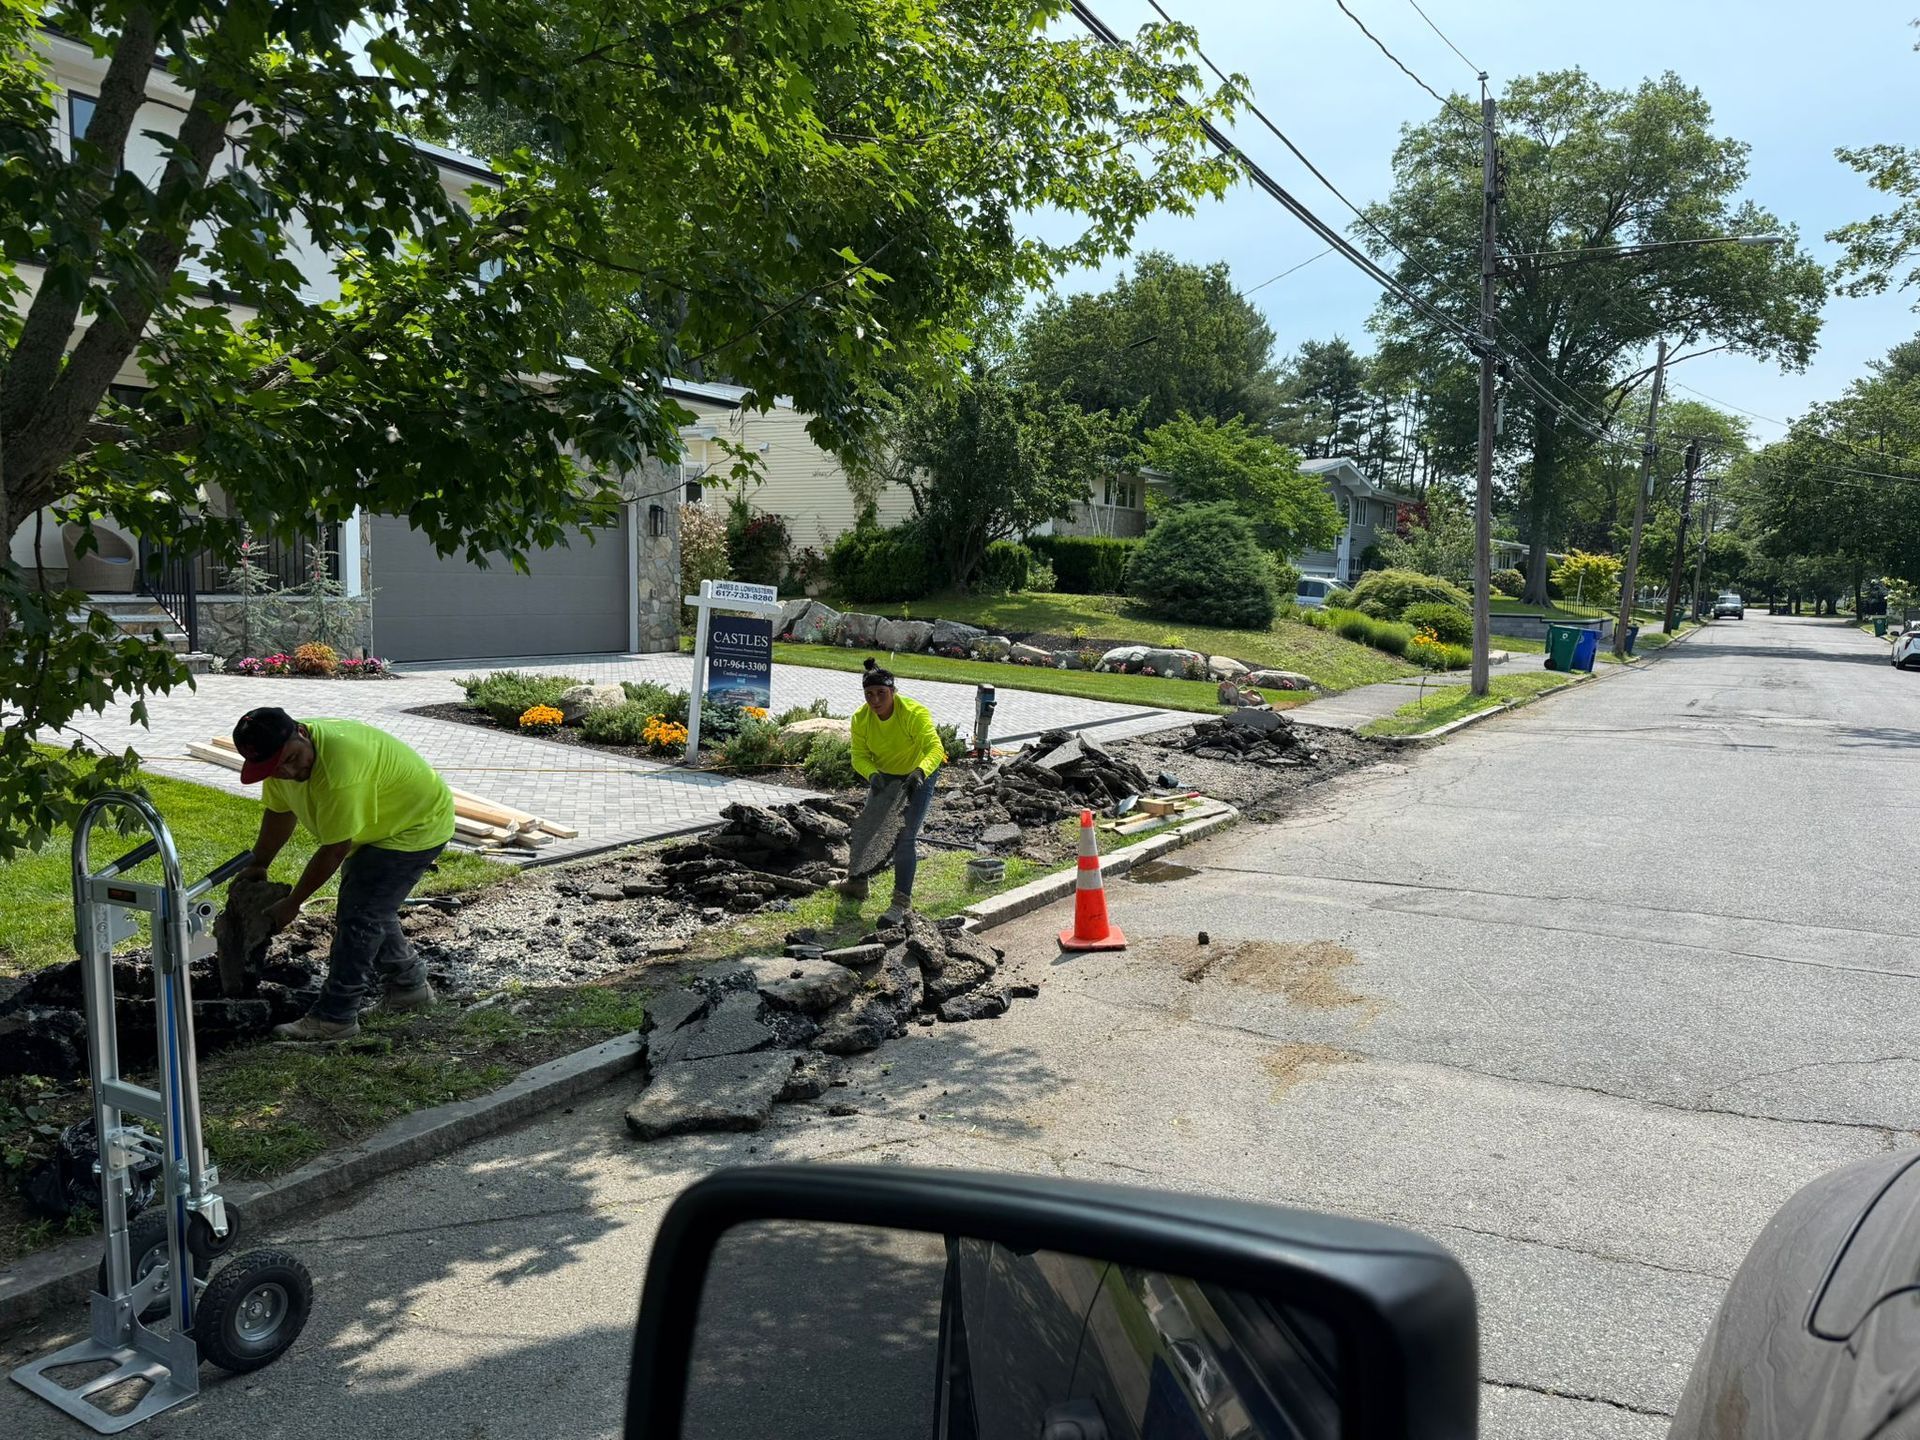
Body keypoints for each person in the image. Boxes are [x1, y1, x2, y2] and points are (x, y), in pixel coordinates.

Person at [230, 707, 456, 1042]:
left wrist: (293, 903)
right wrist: (259, 862)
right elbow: (279, 812)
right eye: (277, 769)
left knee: (360, 915)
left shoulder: (340, 767)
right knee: (369, 906)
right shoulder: (281, 765)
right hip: (382, 823)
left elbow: (334, 849)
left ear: (302, 733)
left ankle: (336, 1017)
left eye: (292, 759)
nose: (290, 772)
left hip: (416, 825)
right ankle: (409, 987)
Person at [835, 659, 946, 924]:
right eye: (869, 694)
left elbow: (935, 748)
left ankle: (900, 904)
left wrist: (920, 772)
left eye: (881, 693)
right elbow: (858, 756)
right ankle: (858, 883)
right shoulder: (861, 719)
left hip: (919, 772)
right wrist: (873, 775)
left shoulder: (913, 713)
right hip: (885, 775)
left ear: (893, 691)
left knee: (904, 838)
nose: (875, 700)